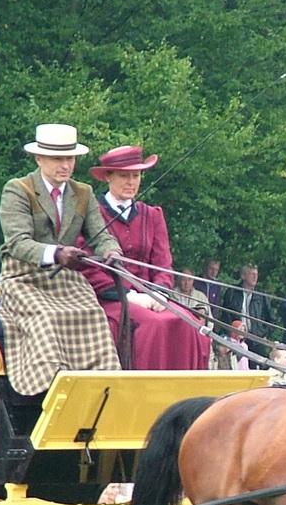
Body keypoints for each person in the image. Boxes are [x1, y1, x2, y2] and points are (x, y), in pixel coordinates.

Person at [0, 123, 122, 394]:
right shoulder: (18, 189)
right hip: (24, 277)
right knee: (46, 317)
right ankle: (52, 386)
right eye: (58, 159)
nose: (65, 165)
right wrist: (56, 253)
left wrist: (112, 251)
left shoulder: (83, 192)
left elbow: (100, 234)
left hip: (67, 279)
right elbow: (18, 243)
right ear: (39, 158)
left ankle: (102, 387)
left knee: (93, 314)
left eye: (70, 158)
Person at [82, 145, 206, 370]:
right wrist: (127, 295)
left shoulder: (152, 215)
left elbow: (163, 263)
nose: (131, 182)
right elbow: (89, 267)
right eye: (124, 176)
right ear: (108, 177)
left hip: (152, 296)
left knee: (189, 323)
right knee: (154, 325)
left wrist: (158, 293)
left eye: (136, 176)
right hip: (111, 299)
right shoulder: (93, 215)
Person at [217, 264, 274, 351]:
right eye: (252, 274)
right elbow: (225, 315)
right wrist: (231, 332)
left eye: (256, 274)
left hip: (257, 339)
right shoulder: (232, 292)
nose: (255, 277)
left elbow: (271, 317)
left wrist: (265, 334)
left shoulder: (261, 294)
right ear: (243, 276)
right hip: (237, 337)